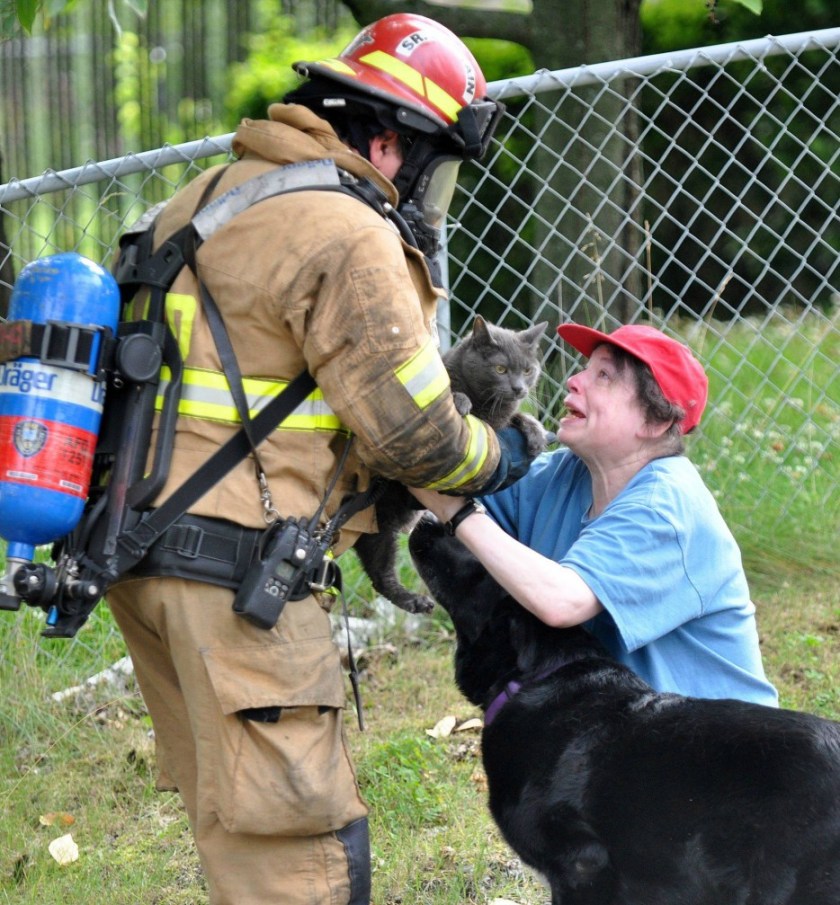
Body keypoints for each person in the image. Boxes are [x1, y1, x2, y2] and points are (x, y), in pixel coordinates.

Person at [105, 14, 535, 905]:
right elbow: (416, 436)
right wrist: (506, 455)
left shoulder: (205, 197)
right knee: (303, 856)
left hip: (140, 554)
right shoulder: (347, 230)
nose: (432, 195)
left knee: (239, 824)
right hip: (234, 576)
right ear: (387, 143)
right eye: (436, 168)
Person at [411, 322, 779, 707]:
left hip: (715, 750)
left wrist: (457, 511)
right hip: (620, 733)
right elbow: (443, 484)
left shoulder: (667, 507)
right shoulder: (565, 473)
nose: (573, 380)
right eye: (585, 368)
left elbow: (562, 602)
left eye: (603, 376)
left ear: (655, 422)